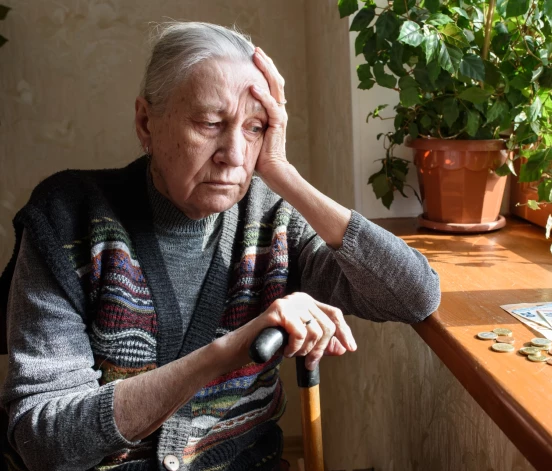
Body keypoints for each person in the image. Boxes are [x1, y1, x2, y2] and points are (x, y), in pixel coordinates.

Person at [0, 22, 440, 471]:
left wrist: (282, 174)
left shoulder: (271, 219)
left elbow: (414, 295)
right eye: (210, 123)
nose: (233, 152)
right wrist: (231, 349)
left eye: (254, 128)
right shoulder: (65, 221)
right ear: (145, 121)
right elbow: (44, 439)